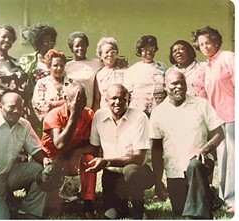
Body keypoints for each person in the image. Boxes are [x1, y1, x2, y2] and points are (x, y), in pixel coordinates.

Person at [149, 71, 224, 219]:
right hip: (175, 171)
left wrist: (204, 150)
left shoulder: (201, 104)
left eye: (182, 83)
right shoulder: (158, 112)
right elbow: (156, 150)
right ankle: (209, 196)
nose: (179, 87)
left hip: (200, 164)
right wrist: (158, 181)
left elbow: (219, 133)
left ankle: (199, 214)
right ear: (165, 86)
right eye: (174, 84)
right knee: (180, 209)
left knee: (194, 166)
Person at [86, 84, 154, 219]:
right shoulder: (99, 116)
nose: (118, 102)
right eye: (114, 98)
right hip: (112, 175)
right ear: (106, 100)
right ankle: (122, 205)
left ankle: (138, 206)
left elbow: (139, 158)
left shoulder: (139, 117)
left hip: (138, 171)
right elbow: (94, 148)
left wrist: (107, 161)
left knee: (131, 171)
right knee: (110, 216)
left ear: (129, 99)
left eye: (122, 98)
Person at [191, 26, 235, 213]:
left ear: (217, 41)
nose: (205, 46)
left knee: (234, 159)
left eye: (208, 42)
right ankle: (227, 197)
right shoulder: (207, 65)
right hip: (218, 120)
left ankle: (235, 200)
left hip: (233, 116)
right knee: (224, 160)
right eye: (201, 44)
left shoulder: (228, 57)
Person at [41, 82, 98, 218]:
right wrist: (73, 115)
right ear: (67, 99)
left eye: (84, 99)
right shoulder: (54, 115)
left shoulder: (89, 114)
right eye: (77, 100)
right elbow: (60, 144)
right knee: (54, 204)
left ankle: (88, 203)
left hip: (74, 154)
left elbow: (94, 146)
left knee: (89, 160)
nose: (82, 103)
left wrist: (77, 152)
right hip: (53, 157)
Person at [19, 22, 57, 136]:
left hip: (54, 105)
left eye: (52, 40)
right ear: (38, 42)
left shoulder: (57, 59)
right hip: (33, 107)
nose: (50, 43)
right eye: (46, 41)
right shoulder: (28, 60)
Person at [0, 25, 30, 117]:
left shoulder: (17, 63)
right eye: (3, 37)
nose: (7, 40)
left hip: (18, 111)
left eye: (10, 38)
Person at [124, 35, 167, 117]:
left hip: (159, 110)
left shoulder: (162, 67)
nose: (149, 52)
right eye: (145, 50)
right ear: (140, 51)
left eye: (152, 49)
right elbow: (127, 94)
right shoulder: (131, 70)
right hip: (138, 111)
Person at [32, 49, 73, 125]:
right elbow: (38, 104)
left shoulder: (72, 83)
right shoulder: (42, 83)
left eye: (61, 65)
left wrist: (52, 105)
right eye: (55, 65)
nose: (59, 68)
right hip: (50, 123)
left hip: (69, 123)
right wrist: (63, 103)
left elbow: (76, 103)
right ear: (49, 66)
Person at [65, 31, 103, 108]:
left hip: (90, 108)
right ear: (71, 49)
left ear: (87, 46)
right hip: (72, 108)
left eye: (83, 45)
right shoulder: (66, 66)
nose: (80, 48)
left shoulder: (97, 63)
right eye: (77, 46)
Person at [92, 37, 128, 112]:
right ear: (101, 56)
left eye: (113, 52)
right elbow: (97, 100)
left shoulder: (125, 71)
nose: (110, 55)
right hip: (105, 113)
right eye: (107, 52)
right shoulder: (99, 75)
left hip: (122, 111)